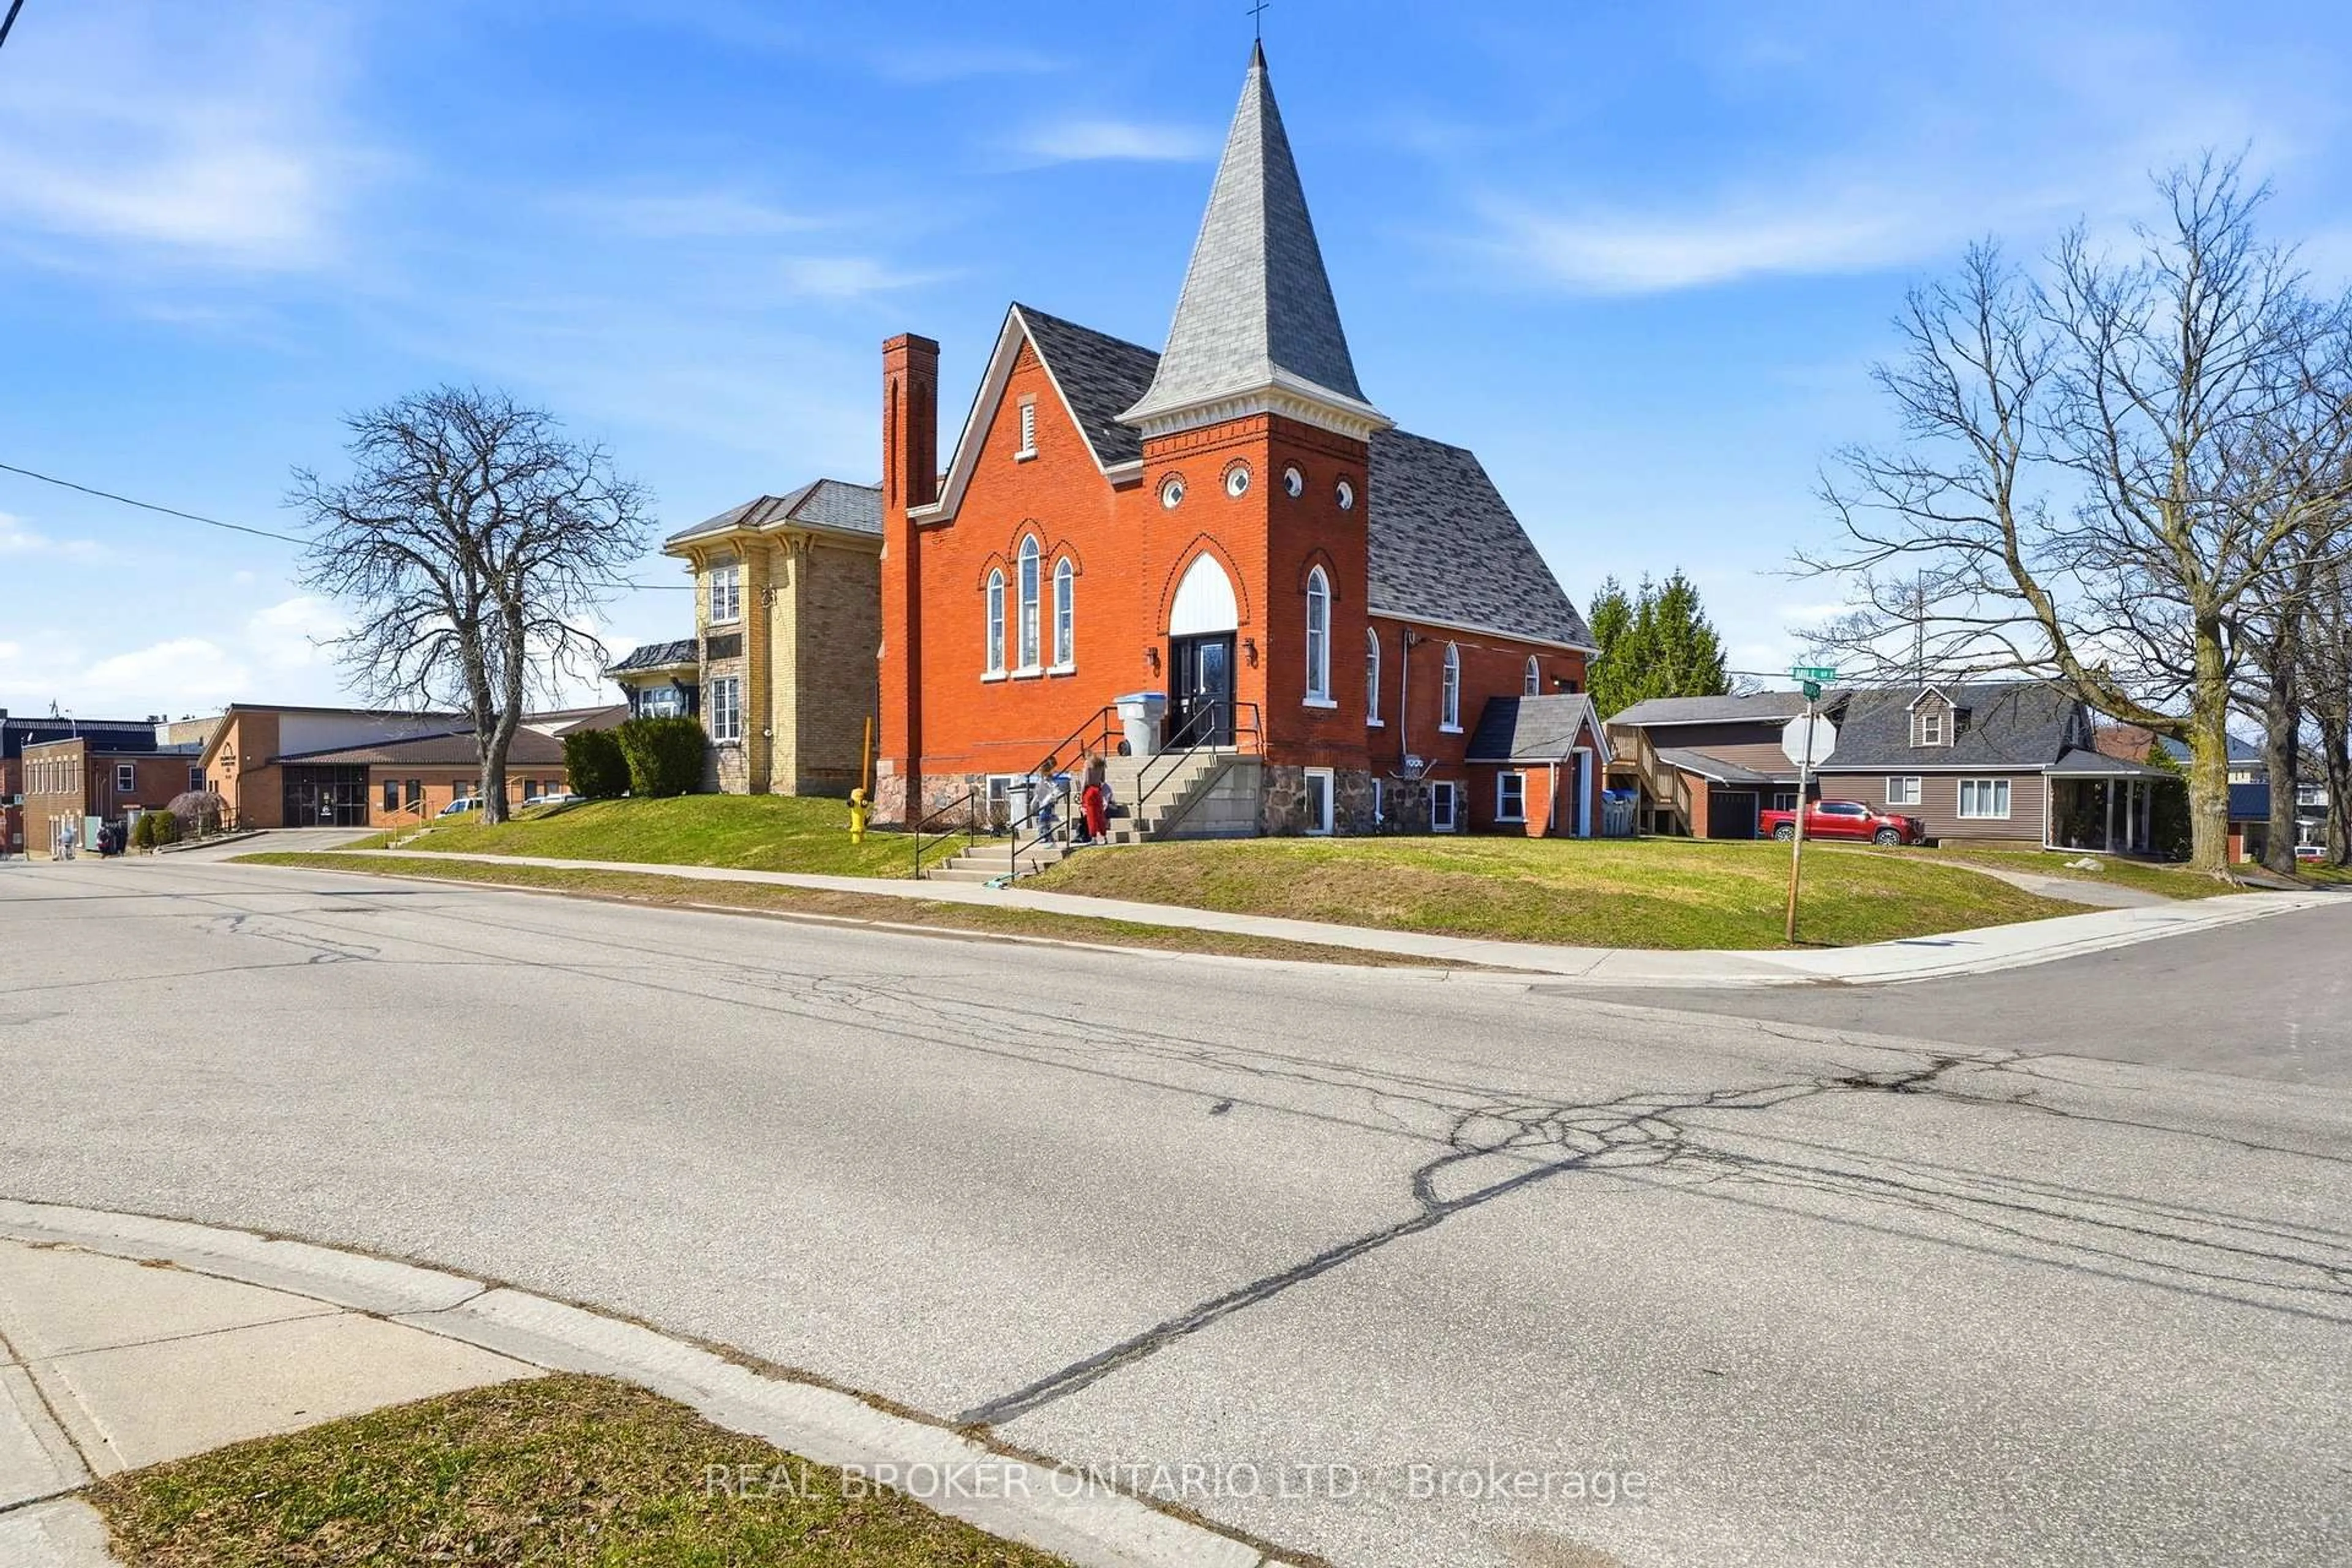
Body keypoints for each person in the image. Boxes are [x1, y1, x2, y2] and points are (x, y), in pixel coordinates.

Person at [1081, 763, 1109, 845]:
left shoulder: (1088, 764)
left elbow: (1086, 780)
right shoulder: (1101, 764)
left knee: (1091, 816)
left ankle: (1094, 837)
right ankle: (1104, 835)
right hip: (1098, 790)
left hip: (1089, 791)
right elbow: (1103, 779)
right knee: (1100, 814)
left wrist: (1082, 794)